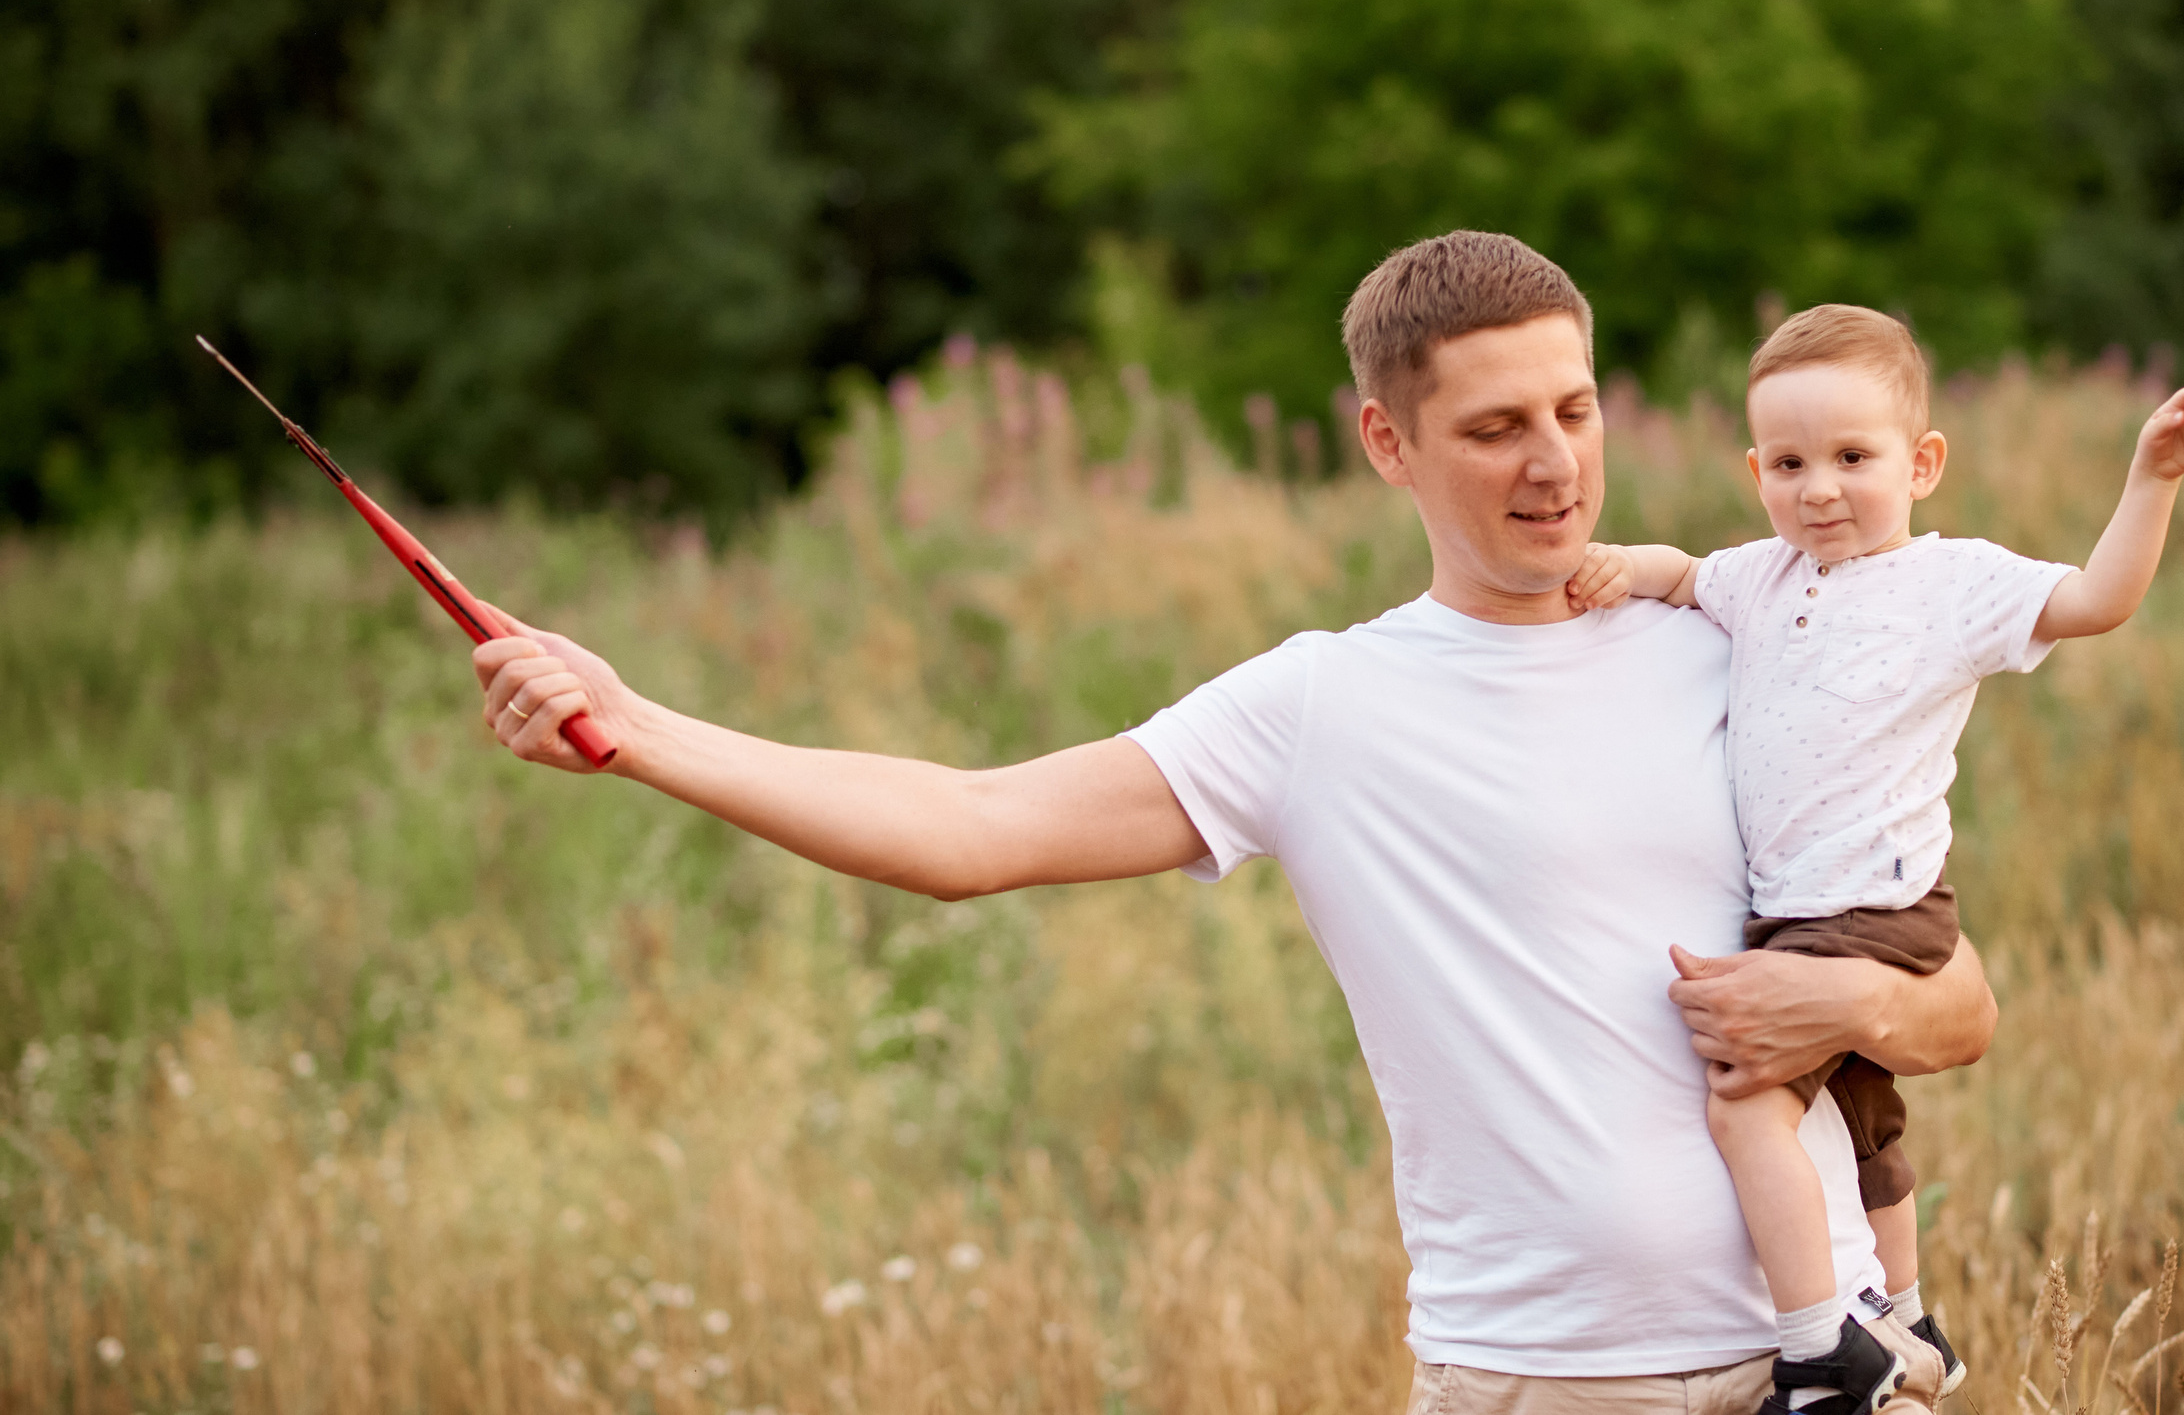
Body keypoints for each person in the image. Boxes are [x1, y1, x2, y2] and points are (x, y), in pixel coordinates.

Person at [473, 234, 1999, 1414]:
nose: (1555, 464)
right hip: (1543, 1379)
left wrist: (1846, 1001)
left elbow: (1958, 1002)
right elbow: (970, 827)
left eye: (1576, 408)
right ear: (1388, 443)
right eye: (1494, 429)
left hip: (1830, 1363)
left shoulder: (1741, 638)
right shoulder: (1325, 707)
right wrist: (646, 734)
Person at [1568, 305, 2184, 1413]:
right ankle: (1908, 1313)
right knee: (1863, 1125)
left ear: (1920, 464)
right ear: (1755, 469)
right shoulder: (1765, 576)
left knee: (1746, 1106)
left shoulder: (1948, 584)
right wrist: (1614, 566)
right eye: (1788, 462)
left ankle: (1818, 1341)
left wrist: (2150, 480)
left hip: (1871, 903)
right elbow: (1684, 574)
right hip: (1800, 908)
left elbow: (2096, 600)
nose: (1818, 487)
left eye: (1852, 458)